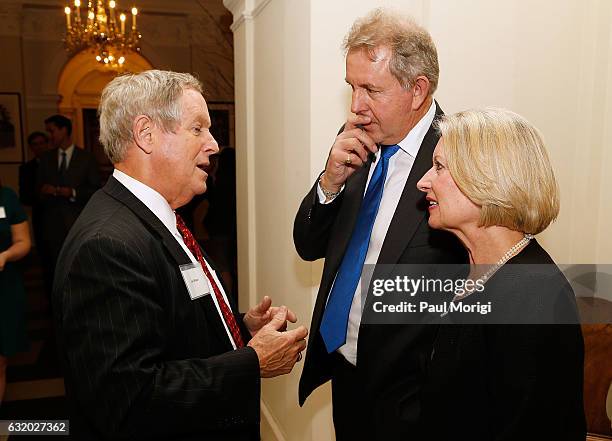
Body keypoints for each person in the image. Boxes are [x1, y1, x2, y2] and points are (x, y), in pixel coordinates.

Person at [53, 70, 308, 440]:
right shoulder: (107, 245)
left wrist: (237, 328)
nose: (214, 144)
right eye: (198, 129)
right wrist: (251, 362)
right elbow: (131, 401)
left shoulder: (156, 218)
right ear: (146, 135)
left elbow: (164, 325)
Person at [293, 8, 465, 439]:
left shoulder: (460, 154)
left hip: (415, 397)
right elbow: (308, 245)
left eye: (371, 89)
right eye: (352, 87)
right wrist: (329, 183)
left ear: (417, 90)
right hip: (346, 372)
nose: (356, 106)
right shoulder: (355, 137)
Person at [416, 108, 586, 440]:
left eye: (439, 167)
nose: (424, 181)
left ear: (486, 178)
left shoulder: (533, 296)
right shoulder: (474, 272)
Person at [37, 115, 100, 298]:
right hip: (52, 225)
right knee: (54, 272)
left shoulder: (86, 158)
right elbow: (36, 191)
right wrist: (44, 191)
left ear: (64, 130)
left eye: (52, 131)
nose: (50, 136)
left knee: (81, 270)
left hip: (78, 222)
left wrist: (72, 193)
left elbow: (95, 190)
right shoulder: (46, 159)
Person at [0, 181, 32, 405]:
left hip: (4, 289)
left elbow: (23, 241)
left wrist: (6, 255)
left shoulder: (6, 197)